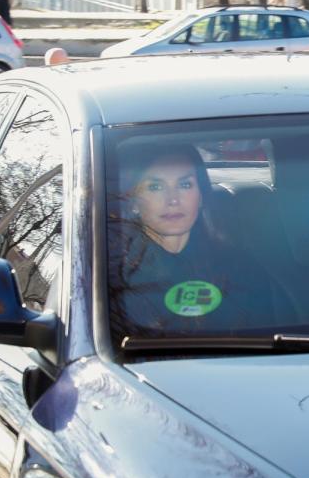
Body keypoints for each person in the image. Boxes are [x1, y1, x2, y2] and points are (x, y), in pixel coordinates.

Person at [107, 144, 276, 340]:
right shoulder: (113, 278)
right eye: (155, 186)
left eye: (185, 185)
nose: (173, 200)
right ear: (134, 201)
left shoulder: (242, 269)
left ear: (201, 196)